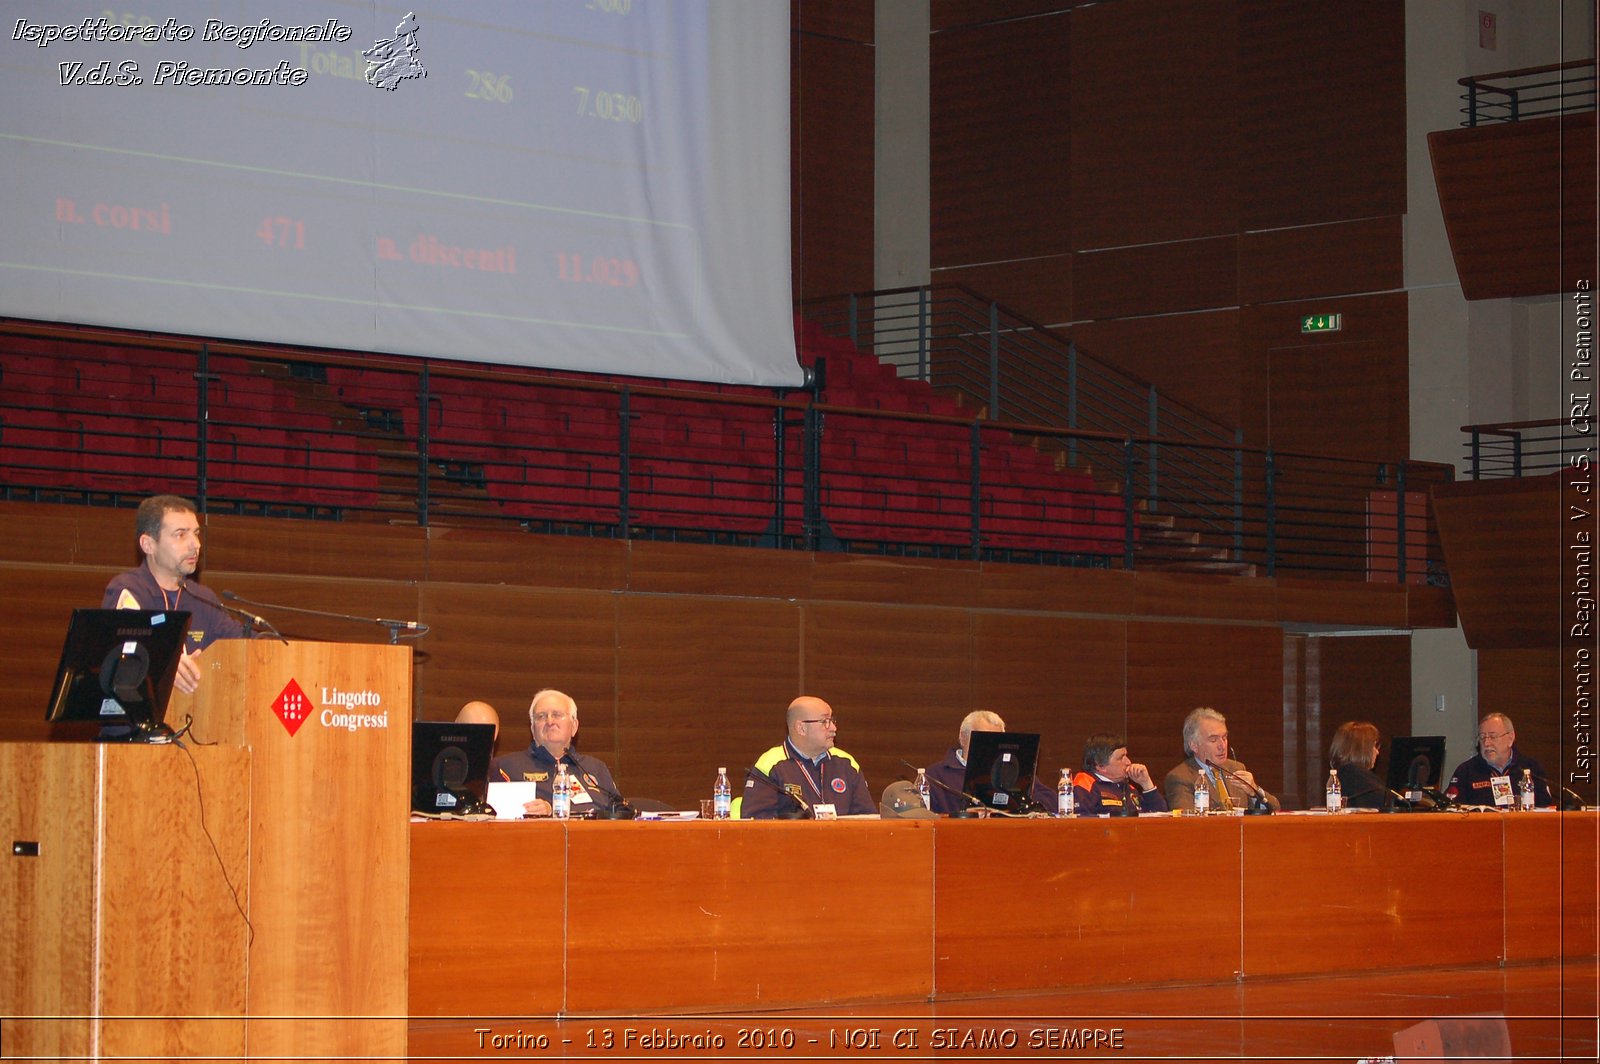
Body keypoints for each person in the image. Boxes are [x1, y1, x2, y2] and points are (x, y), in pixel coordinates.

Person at [102, 494, 243, 694]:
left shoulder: (202, 598)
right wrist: (165, 666)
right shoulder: (128, 589)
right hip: (134, 722)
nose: (196, 544)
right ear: (148, 544)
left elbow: (242, 643)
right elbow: (127, 654)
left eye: (195, 533)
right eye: (181, 534)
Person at [491, 689, 622, 817]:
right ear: (532, 728)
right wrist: (549, 812)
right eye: (541, 716)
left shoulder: (595, 767)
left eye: (557, 715)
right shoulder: (506, 766)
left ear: (574, 726)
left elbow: (622, 813)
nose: (549, 721)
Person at [740, 696, 874, 818]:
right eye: (825, 721)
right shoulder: (770, 764)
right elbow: (756, 827)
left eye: (832, 720)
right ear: (801, 728)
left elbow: (868, 820)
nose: (833, 728)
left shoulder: (846, 763)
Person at [925, 709, 1057, 815]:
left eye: (996, 740)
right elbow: (925, 819)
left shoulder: (1013, 773)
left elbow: (1052, 801)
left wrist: (1020, 807)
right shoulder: (934, 776)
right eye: (984, 739)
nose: (990, 747)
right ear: (962, 737)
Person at [1164, 706, 1280, 812]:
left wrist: (1254, 791)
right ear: (1194, 745)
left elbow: (1275, 808)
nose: (1222, 745)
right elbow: (1186, 820)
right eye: (1213, 740)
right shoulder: (1180, 777)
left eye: (1224, 738)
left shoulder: (1236, 768)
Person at [1444, 713, 1552, 808]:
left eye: (1493, 736)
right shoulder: (1466, 771)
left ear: (1510, 738)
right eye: (1482, 737)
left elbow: (1546, 808)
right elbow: (1450, 808)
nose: (1486, 743)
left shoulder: (1530, 768)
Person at [1072, 733, 1168, 815]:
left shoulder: (1130, 788)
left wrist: (1146, 784)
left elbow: (1161, 819)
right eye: (1121, 758)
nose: (1128, 762)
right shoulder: (1085, 784)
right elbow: (1079, 823)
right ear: (1100, 765)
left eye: (1126, 756)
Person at [1328, 721, 1389, 810]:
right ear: (1362, 749)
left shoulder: (1349, 773)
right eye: (1374, 746)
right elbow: (1387, 803)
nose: (1377, 752)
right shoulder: (1354, 774)